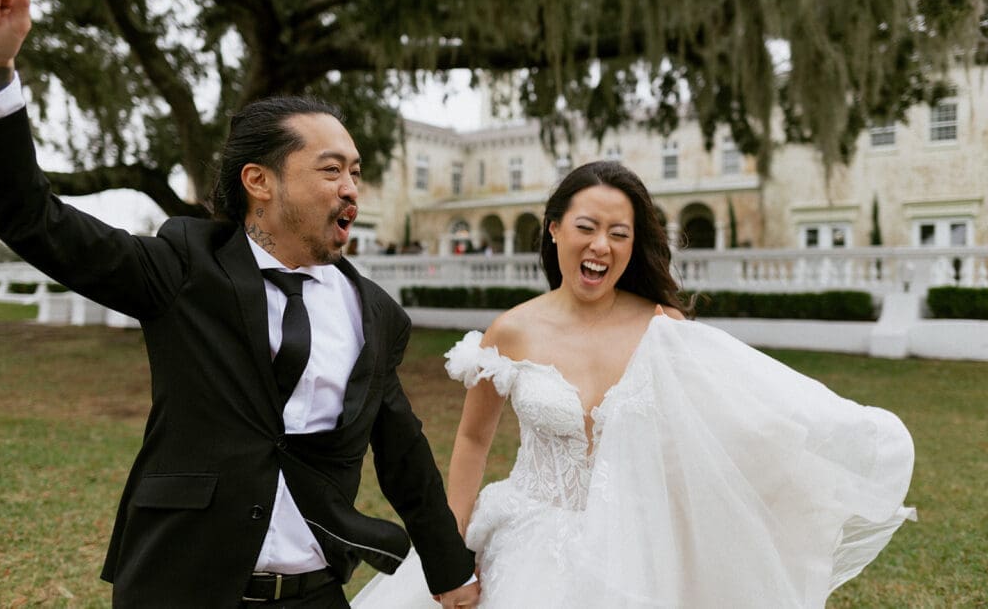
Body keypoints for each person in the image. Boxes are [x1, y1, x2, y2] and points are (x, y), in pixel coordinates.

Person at [0, 0, 479, 608]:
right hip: (179, 586)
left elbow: (403, 453)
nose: (351, 187)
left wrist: (449, 571)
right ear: (259, 181)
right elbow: (30, 217)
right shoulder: (184, 268)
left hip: (315, 592)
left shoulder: (376, 314)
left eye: (354, 171)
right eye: (330, 169)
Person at [352, 160, 916, 608]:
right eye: (586, 228)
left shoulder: (664, 329)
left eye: (618, 233)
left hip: (638, 543)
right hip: (525, 539)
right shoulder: (511, 331)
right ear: (554, 229)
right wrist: (451, 546)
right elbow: (473, 440)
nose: (601, 245)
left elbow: (734, 417)